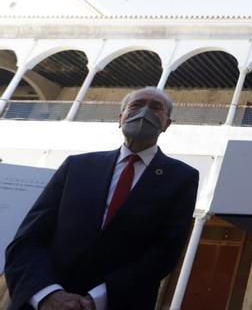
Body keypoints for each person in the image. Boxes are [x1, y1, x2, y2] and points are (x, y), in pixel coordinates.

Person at [5, 87, 199, 310]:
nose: (145, 112)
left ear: (167, 124)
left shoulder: (181, 177)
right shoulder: (77, 166)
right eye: (136, 105)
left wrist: (96, 299)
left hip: (116, 303)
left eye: (156, 107)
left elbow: (164, 251)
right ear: (120, 118)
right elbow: (30, 237)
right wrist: (48, 294)